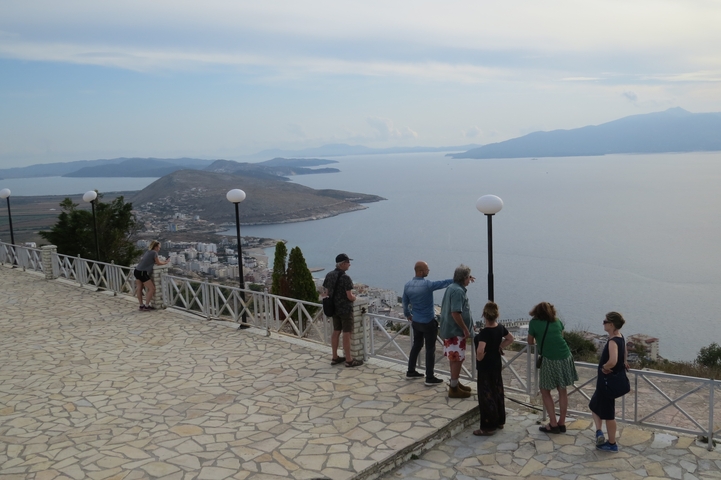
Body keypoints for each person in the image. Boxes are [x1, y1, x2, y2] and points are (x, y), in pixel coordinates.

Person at [527, 301, 578, 434]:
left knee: (545, 391)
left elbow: (530, 342)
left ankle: (553, 423)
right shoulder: (557, 321)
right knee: (562, 390)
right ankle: (562, 422)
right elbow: (561, 336)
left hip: (550, 359)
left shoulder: (534, 323)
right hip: (565, 356)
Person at [402, 261, 453, 385]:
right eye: (427, 269)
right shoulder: (427, 285)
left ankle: (411, 370)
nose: (428, 271)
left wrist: (408, 315)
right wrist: (459, 279)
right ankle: (429, 377)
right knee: (430, 349)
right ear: (420, 271)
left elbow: (404, 303)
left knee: (417, 345)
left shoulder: (407, 285)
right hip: (428, 321)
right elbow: (444, 283)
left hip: (416, 321)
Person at [589, 311, 628, 453]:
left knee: (609, 414)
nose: (603, 323)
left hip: (606, 382)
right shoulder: (620, 337)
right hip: (607, 382)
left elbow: (612, 360)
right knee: (594, 405)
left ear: (611, 325)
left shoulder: (612, 342)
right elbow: (624, 353)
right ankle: (599, 432)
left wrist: (605, 367)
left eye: (605, 321)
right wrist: (625, 362)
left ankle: (612, 443)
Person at [473, 301, 514, 436]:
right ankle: (500, 421)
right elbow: (510, 338)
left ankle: (487, 426)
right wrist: (500, 346)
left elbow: (480, 350)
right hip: (496, 363)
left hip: (485, 366)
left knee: (486, 394)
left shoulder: (485, 332)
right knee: (497, 391)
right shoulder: (500, 328)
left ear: (484, 315)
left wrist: (479, 358)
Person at [439, 264, 475, 399]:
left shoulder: (452, 287)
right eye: (468, 278)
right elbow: (455, 312)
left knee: (454, 358)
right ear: (464, 278)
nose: (469, 280)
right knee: (457, 359)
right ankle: (454, 389)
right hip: (455, 332)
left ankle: (455, 382)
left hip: (449, 329)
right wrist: (465, 329)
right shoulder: (458, 291)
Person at [323, 253, 363, 367]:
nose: (349, 265)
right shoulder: (346, 278)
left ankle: (335, 357)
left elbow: (325, 292)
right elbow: (349, 296)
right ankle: (349, 360)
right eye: (348, 262)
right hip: (345, 309)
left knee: (336, 331)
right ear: (343, 264)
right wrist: (355, 298)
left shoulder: (329, 275)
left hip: (334, 308)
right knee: (346, 333)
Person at [134, 240, 169, 311]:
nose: (159, 249)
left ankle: (141, 305)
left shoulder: (148, 251)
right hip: (142, 272)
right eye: (159, 247)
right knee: (152, 288)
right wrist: (166, 262)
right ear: (155, 247)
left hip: (137, 271)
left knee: (139, 288)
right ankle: (146, 306)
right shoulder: (154, 253)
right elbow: (158, 262)